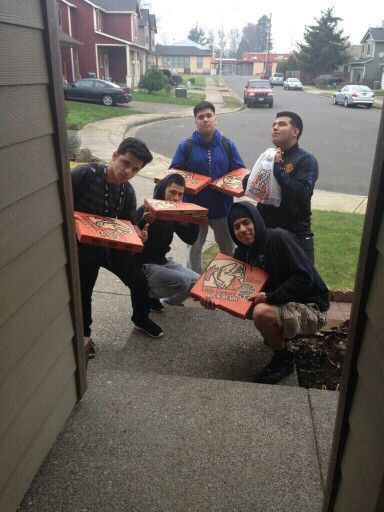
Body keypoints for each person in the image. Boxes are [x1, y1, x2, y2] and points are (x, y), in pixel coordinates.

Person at [201, 201, 329, 384]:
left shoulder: (278, 238)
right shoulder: (241, 254)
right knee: (250, 306)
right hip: (283, 301)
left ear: (256, 220)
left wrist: (270, 297)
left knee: (261, 312)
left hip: (311, 307)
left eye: (247, 222)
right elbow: (239, 298)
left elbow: (305, 278)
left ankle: (284, 359)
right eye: (236, 226)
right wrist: (216, 301)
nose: (243, 229)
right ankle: (277, 334)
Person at [72, 137, 164, 358]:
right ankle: (85, 337)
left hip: (112, 248)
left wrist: (139, 232)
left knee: (139, 280)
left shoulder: (127, 191)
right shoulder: (83, 176)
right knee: (84, 293)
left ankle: (140, 318)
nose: (127, 171)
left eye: (135, 169)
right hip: (83, 250)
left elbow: (127, 224)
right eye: (125, 163)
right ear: (115, 155)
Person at [170, 100, 246, 273]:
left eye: (209, 116)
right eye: (201, 117)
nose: (205, 120)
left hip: (222, 207)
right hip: (194, 208)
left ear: (215, 118)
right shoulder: (186, 146)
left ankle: (230, 281)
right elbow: (174, 174)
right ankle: (194, 283)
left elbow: (239, 171)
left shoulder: (228, 144)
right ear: (195, 121)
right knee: (194, 250)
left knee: (228, 248)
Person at [244, 111, 319, 262]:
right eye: (274, 125)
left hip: (295, 234)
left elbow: (302, 192)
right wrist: (252, 177)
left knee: (303, 282)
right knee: (266, 281)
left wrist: (278, 169)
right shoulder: (268, 156)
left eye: (282, 124)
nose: (275, 128)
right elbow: (248, 186)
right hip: (266, 231)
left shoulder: (306, 160)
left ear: (295, 132)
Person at [135, 173, 200, 311]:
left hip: (162, 261)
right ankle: (144, 294)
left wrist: (195, 220)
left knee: (199, 282)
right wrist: (143, 222)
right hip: (143, 265)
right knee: (183, 281)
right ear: (163, 189)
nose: (176, 198)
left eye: (180, 194)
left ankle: (165, 300)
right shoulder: (145, 209)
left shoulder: (173, 213)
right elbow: (129, 239)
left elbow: (190, 239)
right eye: (172, 192)